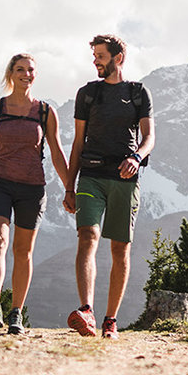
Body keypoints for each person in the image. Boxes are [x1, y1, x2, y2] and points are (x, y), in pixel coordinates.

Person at [64, 34, 154, 339]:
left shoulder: (138, 93)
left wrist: (137, 157)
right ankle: (86, 310)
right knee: (87, 236)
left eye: (100, 56)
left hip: (125, 179)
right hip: (90, 175)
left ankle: (110, 320)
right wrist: (68, 186)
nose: (95, 61)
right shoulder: (87, 94)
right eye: (94, 56)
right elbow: (78, 142)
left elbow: (149, 137)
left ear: (119, 58)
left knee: (120, 249)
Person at [0, 53, 70, 335]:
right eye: (20, 69)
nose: (26, 74)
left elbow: (56, 151)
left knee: (23, 251)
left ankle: (16, 313)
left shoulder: (45, 112)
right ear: (10, 73)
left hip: (32, 187)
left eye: (30, 70)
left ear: (34, 75)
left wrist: (68, 188)